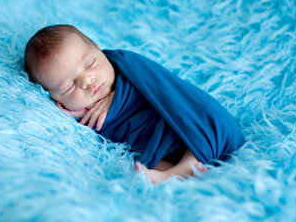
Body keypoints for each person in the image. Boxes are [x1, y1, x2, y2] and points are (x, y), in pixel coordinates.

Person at [24, 24, 245, 184]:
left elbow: (161, 85)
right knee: (143, 160)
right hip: (155, 144)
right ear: (55, 98)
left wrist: (119, 93)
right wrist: (79, 115)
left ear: (98, 48)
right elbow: (106, 132)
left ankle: (188, 164)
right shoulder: (80, 114)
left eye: (90, 64)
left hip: (176, 119)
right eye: (68, 88)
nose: (86, 81)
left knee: (198, 121)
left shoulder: (126, 63)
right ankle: (173, 174)